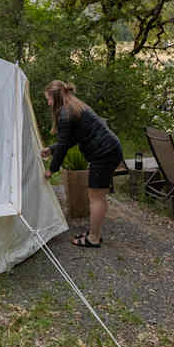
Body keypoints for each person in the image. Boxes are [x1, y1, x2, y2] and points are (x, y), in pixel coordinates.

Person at [40, 80, 124, 247]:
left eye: (48, 99)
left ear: (56, 98)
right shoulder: (74, 107)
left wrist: (52, 169)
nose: (48, 103)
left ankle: (93, 238)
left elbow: (64, 146)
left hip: (104, 154)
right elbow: (72, 139)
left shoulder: (65, 113)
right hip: (109, 150)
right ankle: (95, 232)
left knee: (96, 197)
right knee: (97, 196)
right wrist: (51, 149)